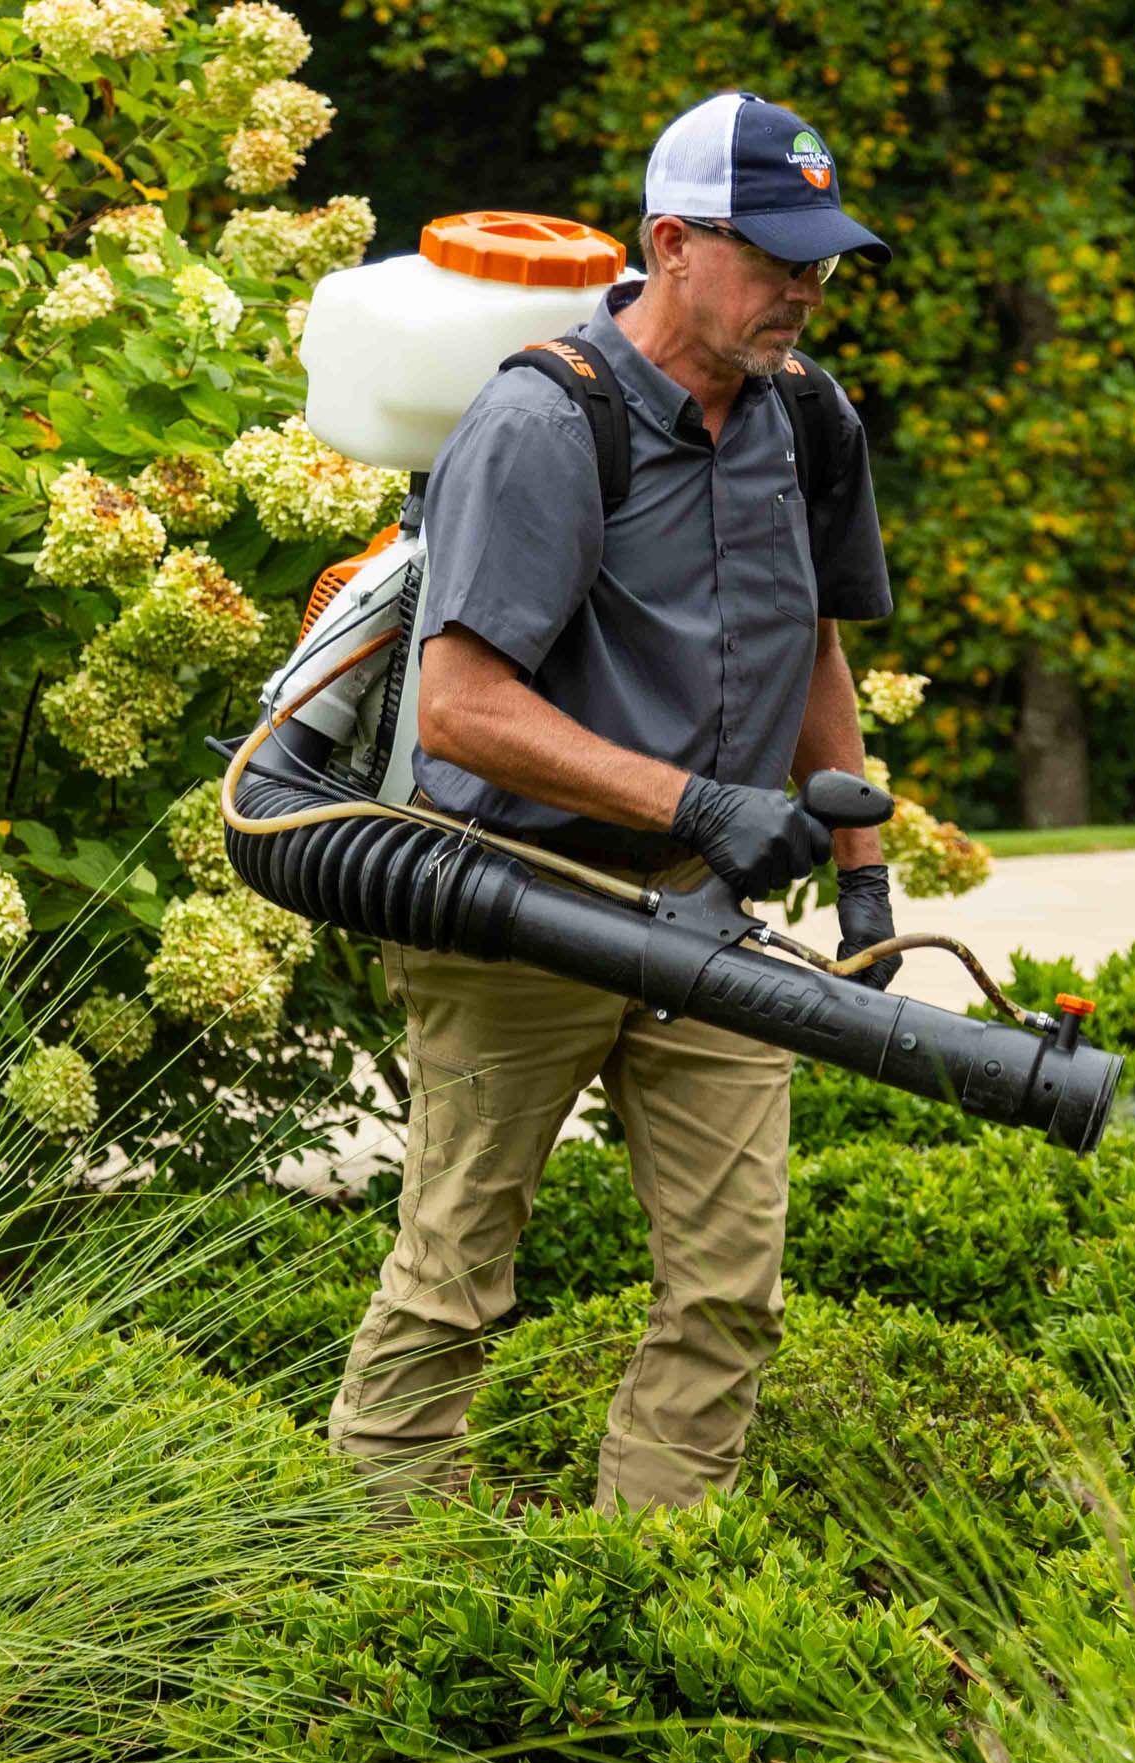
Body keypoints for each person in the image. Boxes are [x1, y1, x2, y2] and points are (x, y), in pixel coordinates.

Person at [325, 90, 899, 1511]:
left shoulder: (807, 420)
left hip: (706, 924)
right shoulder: (546, 421)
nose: (803, 291)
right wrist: (704, 801)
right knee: (452, 1285)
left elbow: (817, 634)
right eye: (773, 258)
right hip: (519, 907)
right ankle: (387, 1609)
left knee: (729, 1298)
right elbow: (461, 707)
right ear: (671, 244)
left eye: (820, 261)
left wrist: (865, 860)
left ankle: (642, 1615)